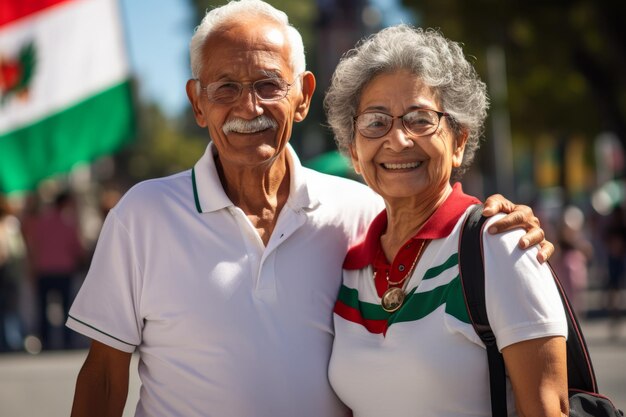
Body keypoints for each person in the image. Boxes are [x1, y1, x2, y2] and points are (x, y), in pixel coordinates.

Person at [67, 1, 553, 416]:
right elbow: (105, 379)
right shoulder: (142, 216)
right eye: (225, 88)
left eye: (268, 85)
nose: (248, 107)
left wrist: (502, 225)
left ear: (302, 97)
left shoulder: (361, 212)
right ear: (198, 102)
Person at [325, 25, 568, 416]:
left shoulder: (500, 245)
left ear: (458, 142)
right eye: (375, 121)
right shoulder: (348, 267)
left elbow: (547, 408)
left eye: (420, 119)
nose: (398, 140)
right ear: (354, 151)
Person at [24, 191, 85, 350]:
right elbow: (78, 248)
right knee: (66, 309)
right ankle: (67, 340)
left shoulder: (41, 222)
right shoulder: (69, 223)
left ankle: (45, 341)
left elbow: (33, 246)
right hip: (64, 271)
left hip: (44, 270)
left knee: (43, 308)